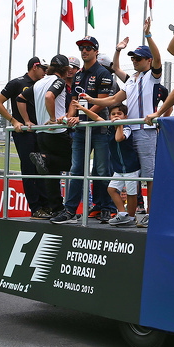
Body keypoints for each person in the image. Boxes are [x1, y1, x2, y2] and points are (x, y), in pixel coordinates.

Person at [82, 18, 162, 228]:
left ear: (148, 60)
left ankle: (152, 215)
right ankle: (132, 214)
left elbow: (159, 59)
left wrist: (148, 35)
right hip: (129, 131)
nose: (134, 60)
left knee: (148, 176)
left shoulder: (152, 77)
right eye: (133, 57)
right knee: (134, 177)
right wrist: (91, 100)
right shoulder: (131, 79)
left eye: (138, 58)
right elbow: (113, 99)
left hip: (145, 131)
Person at [50, 36, 115, 224]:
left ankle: (106, 207)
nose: (84, 51)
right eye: (81, 48)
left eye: (88, 48)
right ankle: (70, 211)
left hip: (99, 128)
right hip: (80, 130)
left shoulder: (103, 73)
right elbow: (74, 101)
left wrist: (81, 116)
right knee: (76, 169)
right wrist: (70, 116)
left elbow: (102, 102)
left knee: (102, 170)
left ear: (96, 51)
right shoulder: (77, 75)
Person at [17, 55, 79, 219]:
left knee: (51, 174)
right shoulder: (58, 81)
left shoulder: (38, 83)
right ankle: (44, 158)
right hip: (57, 132)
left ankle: (57, 208)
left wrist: (27, 121)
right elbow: (49, 96)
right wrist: (53, 118)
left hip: (41, 133)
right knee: (73, 165)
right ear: (65, 70)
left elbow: (20, 98)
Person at [0, 57, 49, 218]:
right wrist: (13, 121)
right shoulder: (17, 83)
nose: (45, 72)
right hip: (24, 133)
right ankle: (36, 207)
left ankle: (47, 206)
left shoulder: (42, 85)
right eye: (43, 69)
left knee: (44, 168)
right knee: (29, 168)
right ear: (34, 67)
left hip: (40, 131)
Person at [75, 102, 140, 227]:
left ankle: (131, 218)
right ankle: (122, 214)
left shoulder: (126, 128)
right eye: (113, 114)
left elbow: (119, 138)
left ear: (125, 117)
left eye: (119, 114)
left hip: (130, 167)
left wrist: (119, 125)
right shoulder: (109, 127)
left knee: (132, 194)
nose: (116, 116)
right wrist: (83, 109)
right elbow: (96, 117)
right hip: (118, 167)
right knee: (111, 189)